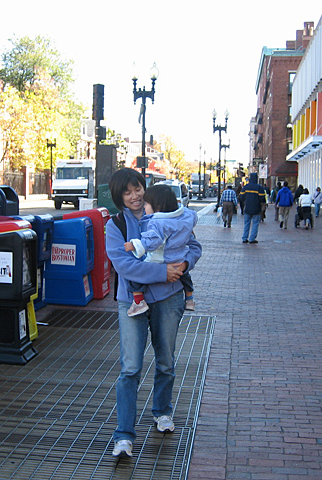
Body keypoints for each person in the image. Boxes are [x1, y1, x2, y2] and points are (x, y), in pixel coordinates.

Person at [105, 168, 202, 459]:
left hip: (168, 300)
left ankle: (162, 411)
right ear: (119, 197)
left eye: (138, 189)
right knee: (130, 367)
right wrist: (164, 272)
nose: (135, 196)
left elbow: (193, 245)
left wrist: (183, 267)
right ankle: (124, 435)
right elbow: (125, 266)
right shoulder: (116, 225)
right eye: (127, 192)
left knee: (166, 362)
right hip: (131, 302)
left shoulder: (166, 212)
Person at [124, 183, 198, 315]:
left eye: (146, 204)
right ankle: (190, 299)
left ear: (157, 207)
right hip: (180, 258)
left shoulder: (157, 222)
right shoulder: (185, 216)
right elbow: (193, 217)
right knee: (185, 276)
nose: (144, 206)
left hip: (163, 259)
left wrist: (134, 244)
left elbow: (152, 243)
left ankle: (138, 302)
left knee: (136, 278)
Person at [240, 173, 266, 244]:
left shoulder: (246, 187)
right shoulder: (259, 188)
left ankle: (244, 238)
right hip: (256, 208)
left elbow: (241, 197)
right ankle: (252, 238)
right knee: (255, 223)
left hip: (247, 208)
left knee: (246, 223)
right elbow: (262, 198)